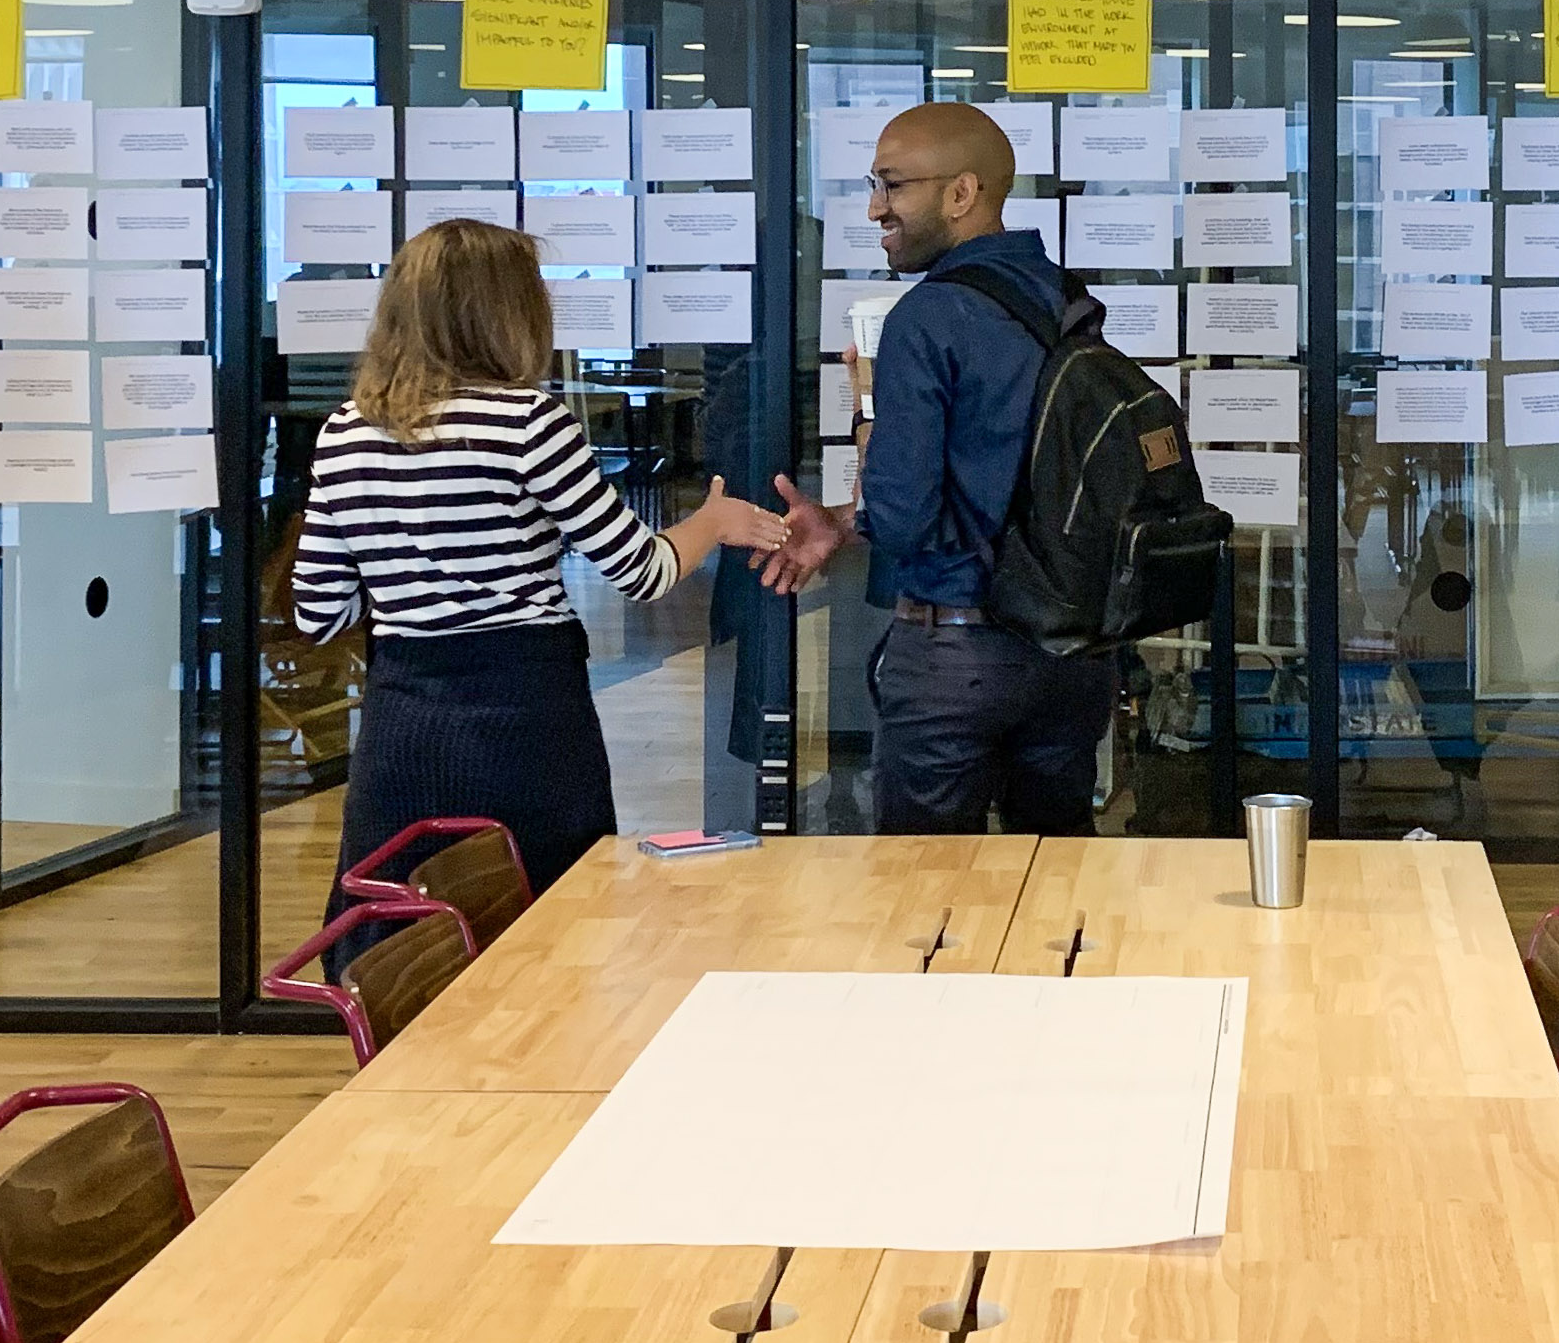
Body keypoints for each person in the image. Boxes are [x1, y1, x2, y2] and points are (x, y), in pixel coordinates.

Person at [290, 220, 786, 908]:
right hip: (522, 715)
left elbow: (319, 613)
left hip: (401, 722)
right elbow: (641, 571)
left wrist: (409, 565)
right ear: (508, 313)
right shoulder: (529, 423)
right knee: (543, 916)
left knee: (410, 925)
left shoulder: (347, 430)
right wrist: (715, 521)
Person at [758, 102, 1119, 835]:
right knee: (1053, 871)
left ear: (961, 193)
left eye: (892, 185)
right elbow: (1001, 479)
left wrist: (868, 416)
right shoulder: (1066, 300)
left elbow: (902, 521)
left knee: (925, 883)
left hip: (956, 657)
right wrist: (843, 520)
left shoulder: (925, 317)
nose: (874, 208)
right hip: (1072, 653)